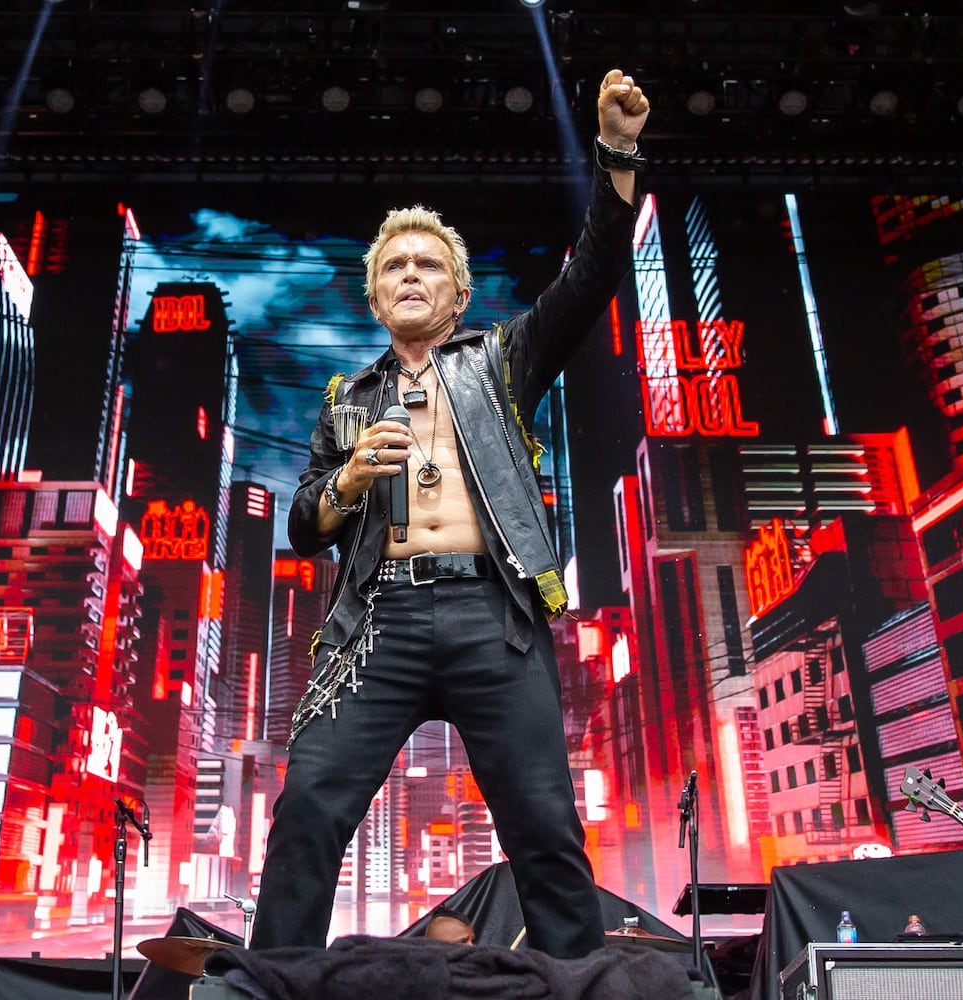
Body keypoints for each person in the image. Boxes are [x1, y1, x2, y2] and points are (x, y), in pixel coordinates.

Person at [248, 68, 648, 960]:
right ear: (377, 296)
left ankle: (581, 985)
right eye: (395, 266)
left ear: (459, 295)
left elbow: (590, 280)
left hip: (491, 618)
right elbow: (302, 526)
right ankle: (272, 982)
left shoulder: (502, 361)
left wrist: (616, 153)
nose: (411, 274)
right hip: (376, 625)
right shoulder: (346, 399)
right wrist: (348, 481)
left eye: (429, 263)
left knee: (545, 827)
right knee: (308, 804)